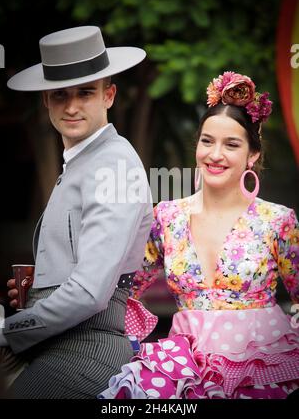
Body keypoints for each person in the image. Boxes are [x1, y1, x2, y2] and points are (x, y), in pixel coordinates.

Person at [100, 71, 299, 399]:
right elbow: (123, 288)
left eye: (231, 144)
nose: (215, 154)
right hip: (182, 368)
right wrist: (50, 290)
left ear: (252, 154)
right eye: (207, 141)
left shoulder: (277, 220)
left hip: (263, 368)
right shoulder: (167, 216)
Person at [0, 25, 153, 398]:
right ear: (46, 102)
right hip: (56, 344)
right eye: (59, 95)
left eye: (85, 93)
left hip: (86, 349)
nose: (71, 106)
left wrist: (8, 329)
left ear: (109, 95)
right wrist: (39, 288)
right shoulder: (83, 162)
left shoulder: (113, 162)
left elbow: (89, 293)